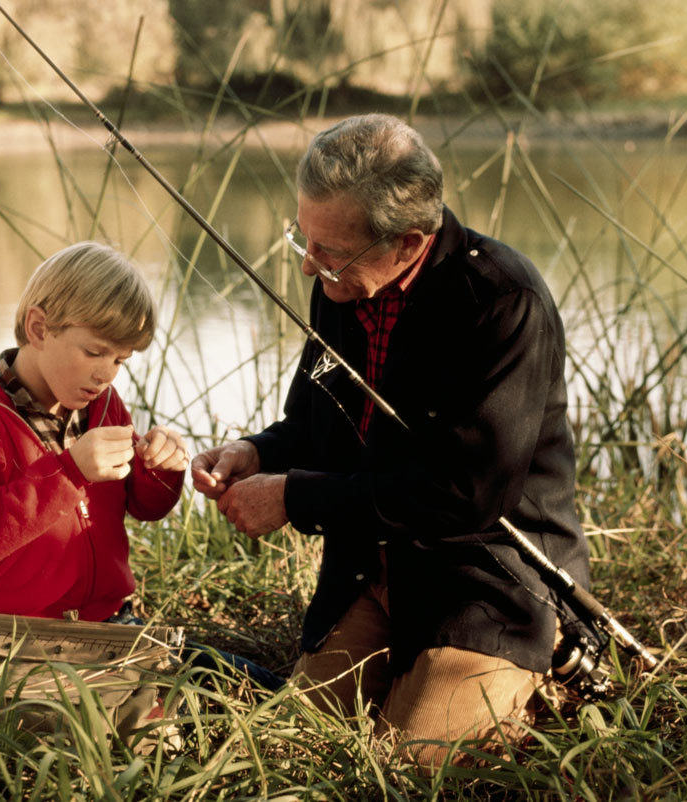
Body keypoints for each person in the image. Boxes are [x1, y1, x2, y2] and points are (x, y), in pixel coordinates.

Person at [191, 114, 592, 768]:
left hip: (487, 585)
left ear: (408, 242)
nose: (306, 264)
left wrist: (294, 499)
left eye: (329, 250)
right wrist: (257, 453)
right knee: (280, 756)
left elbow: (464, 497)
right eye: (303, 237)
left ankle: (528, 684)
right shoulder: (337, 288)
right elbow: (312, 424)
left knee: (398, 771)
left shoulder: (501, 303)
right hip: (375, 571)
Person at [0, 240, 188, 623]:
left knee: (227, 672)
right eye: (94, 352)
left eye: (120, 360)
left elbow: (144, 506)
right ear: (39, 329)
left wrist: (161, 467)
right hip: (19, 636)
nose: (106, 374)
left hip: (108, 620)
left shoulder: (102, 404)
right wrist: (70, 472)